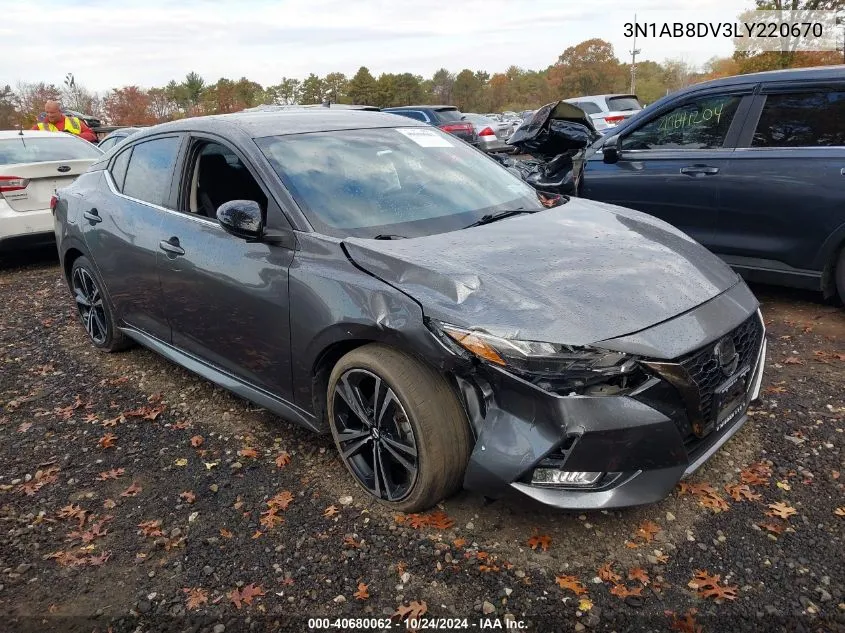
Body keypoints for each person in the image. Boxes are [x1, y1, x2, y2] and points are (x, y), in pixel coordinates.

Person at [32, 100, 97, 142]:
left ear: (60, 111)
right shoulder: (39, 127)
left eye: (52, 113)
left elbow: (92, 136)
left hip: (75, 157)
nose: (49, 115)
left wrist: (74, 136)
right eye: (47, 112)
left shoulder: (74, 121)